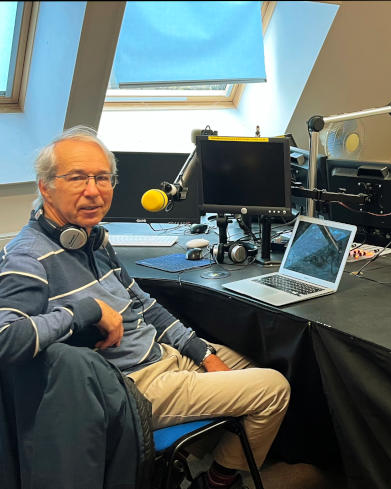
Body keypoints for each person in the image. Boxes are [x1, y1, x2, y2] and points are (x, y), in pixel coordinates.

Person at [0, 126, 290, 489]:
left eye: (102, 178)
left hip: (163, 356)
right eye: (77, 178)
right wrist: (86, 310)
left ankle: (187, 462)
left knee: (255, 364)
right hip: (133, 385)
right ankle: (216, 482)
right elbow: (7, 339)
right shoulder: (27, 256)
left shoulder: (93, 238)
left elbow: (145, 304)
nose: (93, 190)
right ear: (46, 187)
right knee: (274, 388)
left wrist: (202, 353)